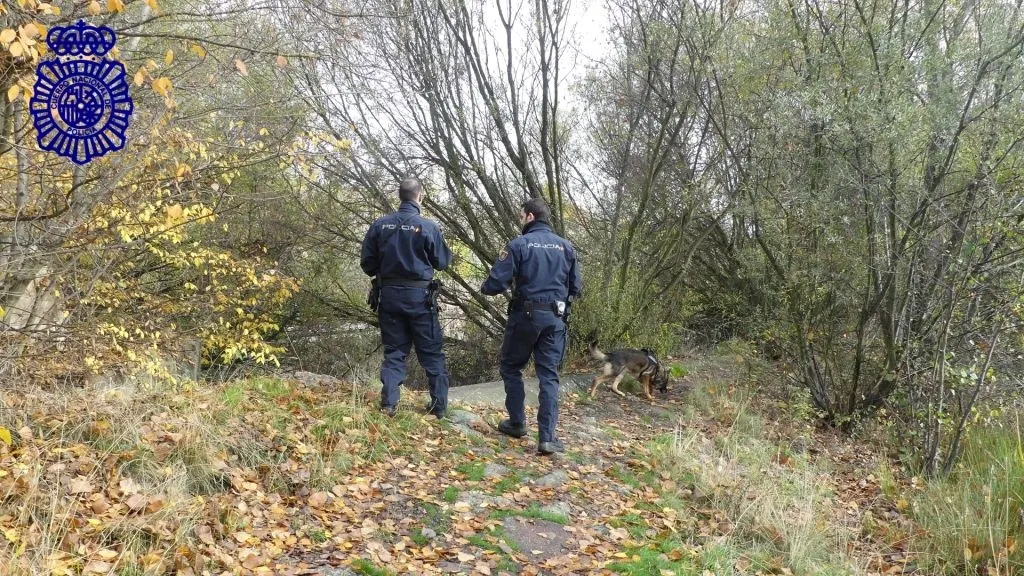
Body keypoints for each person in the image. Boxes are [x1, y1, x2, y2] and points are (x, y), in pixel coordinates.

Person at [480, 197, 582, 455]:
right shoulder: (566, 247)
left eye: (520, 214)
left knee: (511, 366)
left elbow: (494, 284)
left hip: (525, 317)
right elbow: (576, 288)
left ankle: (517, 423)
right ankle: (547, 438)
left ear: (530, 217)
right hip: (555, 320)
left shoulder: (519, 245)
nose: (519, 218)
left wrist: (488, 286)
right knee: (549, 375)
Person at [360, 178, 452, 418]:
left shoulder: (381, 225)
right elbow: (442, 262)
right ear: (419, 196)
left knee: (394, 352)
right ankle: (439, 407)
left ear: (400, 196)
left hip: (389, 297)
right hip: (420, 298)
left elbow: (367, 264)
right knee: (431, 352)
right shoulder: (428, 226)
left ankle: (389, 404)